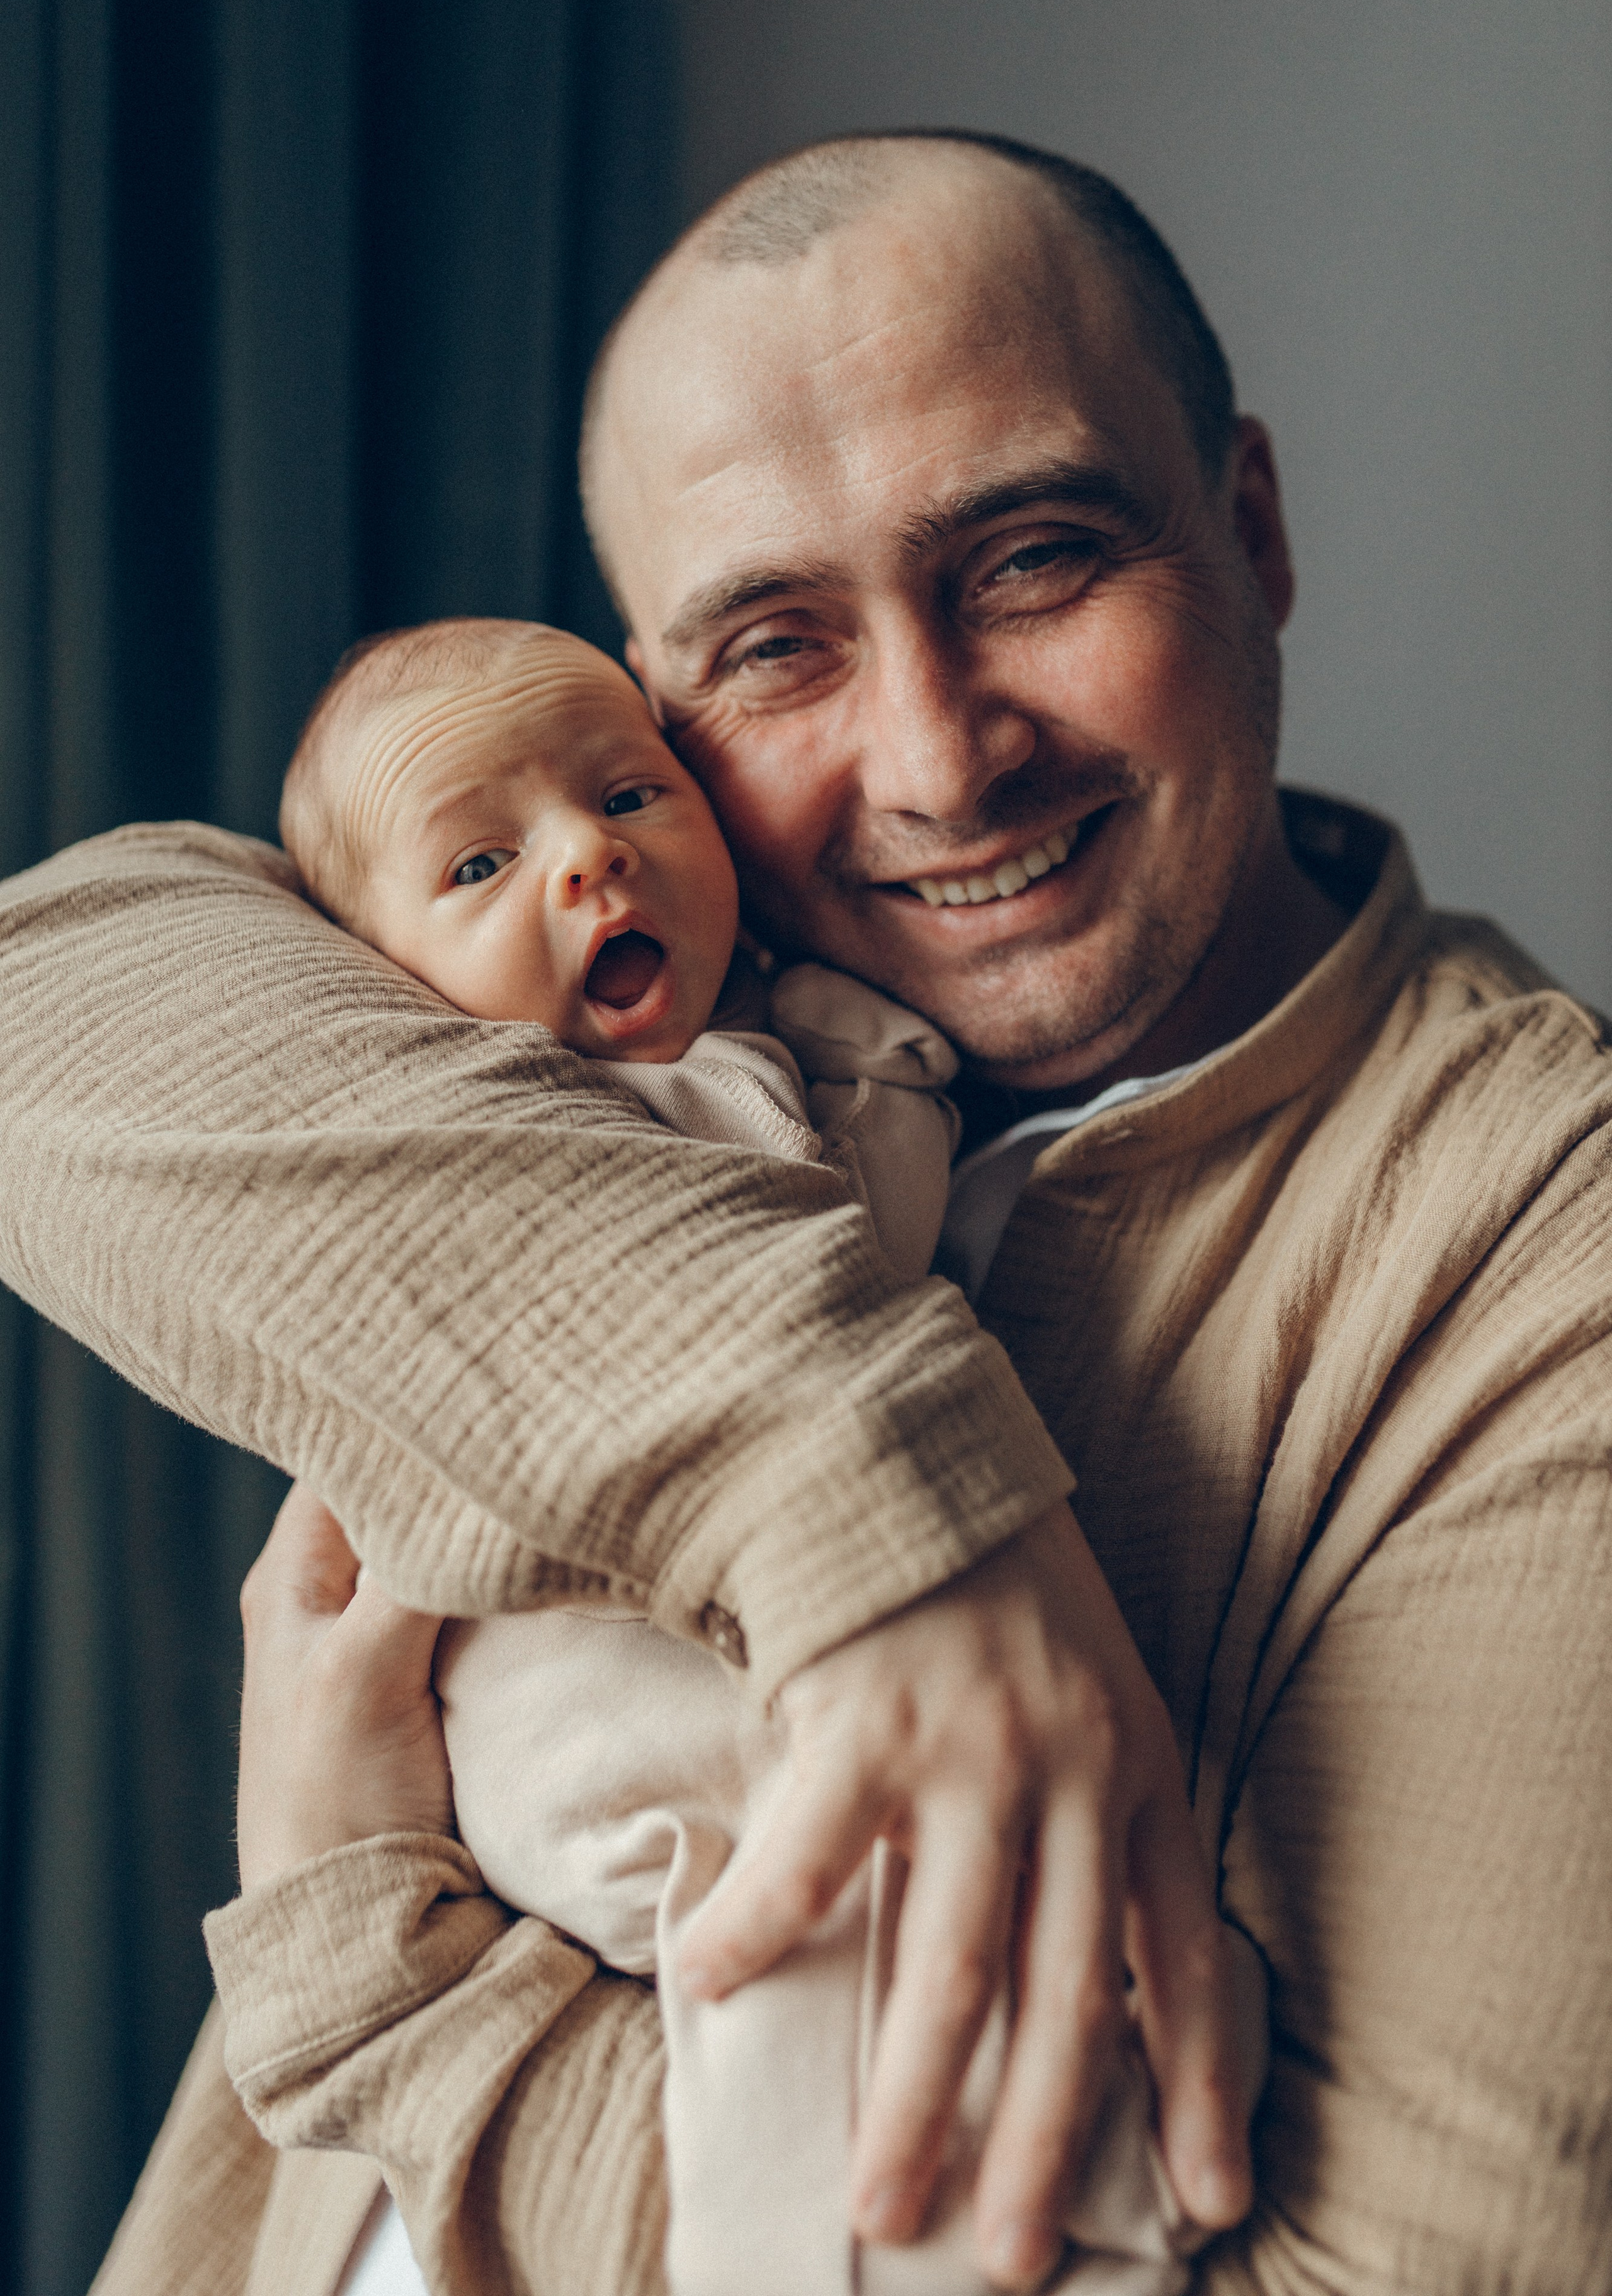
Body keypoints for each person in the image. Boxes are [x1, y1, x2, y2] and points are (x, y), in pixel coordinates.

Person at [0, 128, 1600, 2296]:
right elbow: (51, 988)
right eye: (773, 649)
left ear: (1250, 531)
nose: (938, 759)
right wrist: (878, 1503)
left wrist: (380, 1977)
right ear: (649, 708)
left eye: (1033, 560)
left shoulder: (1543, 1243)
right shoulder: (646, 997)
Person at [244, 606, 1263, 2296]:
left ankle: (1030, 2146)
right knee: (797, 1919)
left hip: (756, 1662)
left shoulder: (800, 1038)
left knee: (919, 1891)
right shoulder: (467, 1130)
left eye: (632, 795)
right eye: (479, 862)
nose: (585, 861)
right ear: (378, 982)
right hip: (561, 1694)